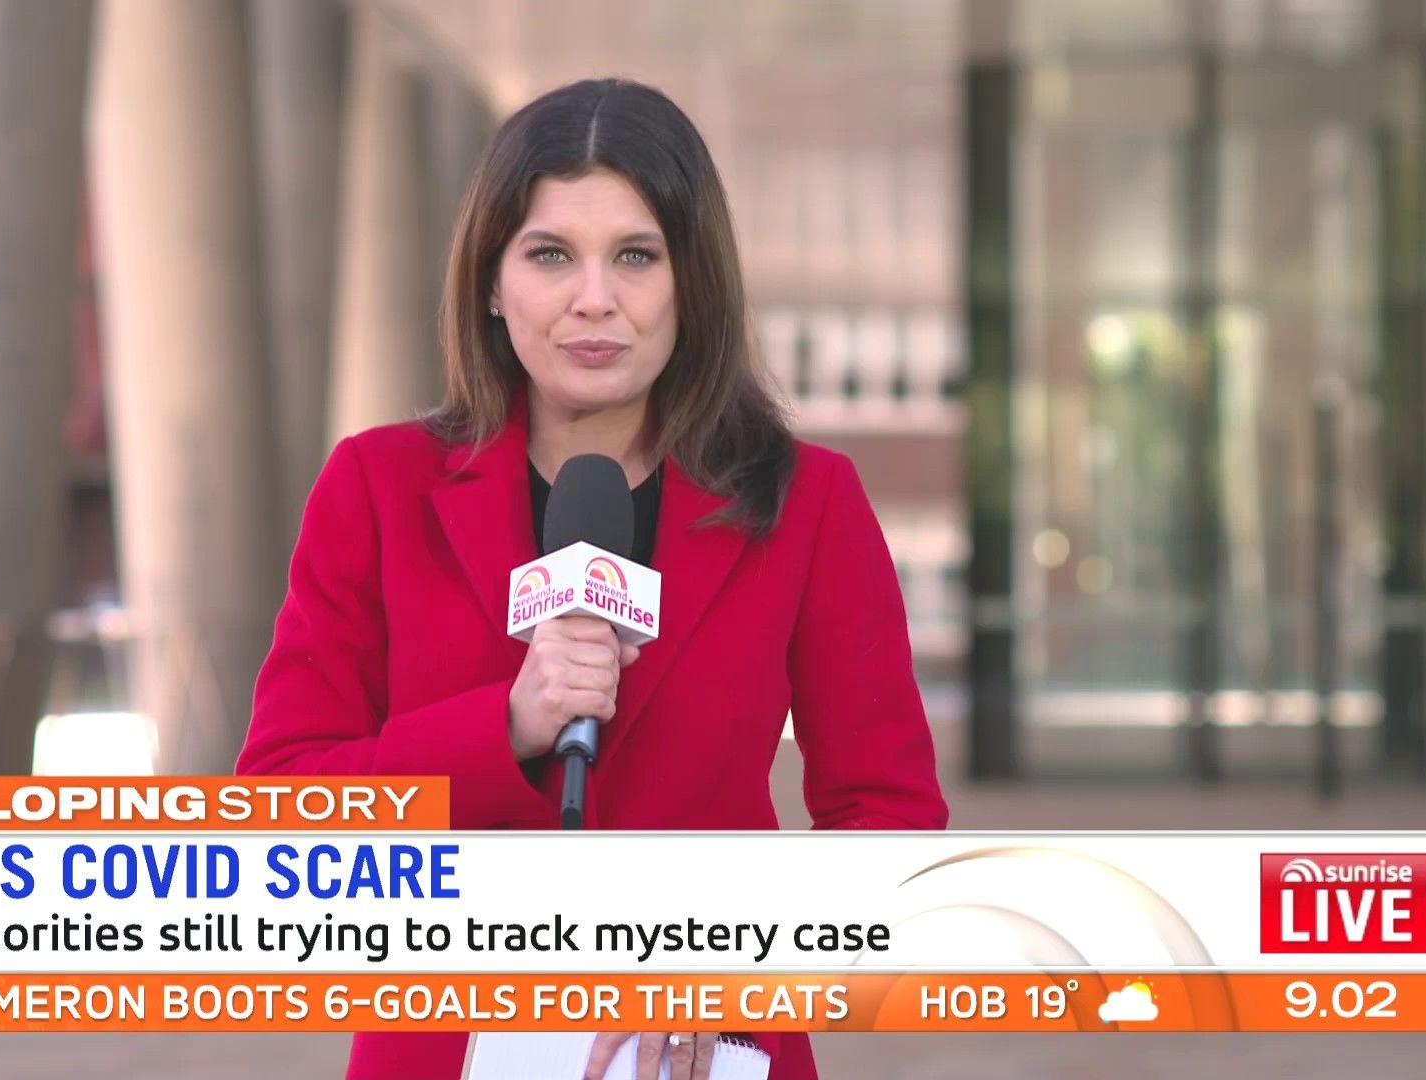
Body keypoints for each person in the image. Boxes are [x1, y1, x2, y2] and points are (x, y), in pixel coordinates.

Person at [237, 77, 947, 1080]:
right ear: (492, 283)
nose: (594, 299)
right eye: (550, 255)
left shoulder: (808, 503)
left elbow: (889, 819)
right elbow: (282, 812)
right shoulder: (376, 488)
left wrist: (736, 967)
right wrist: (505, 726)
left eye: (636, 256)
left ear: (692, 282)